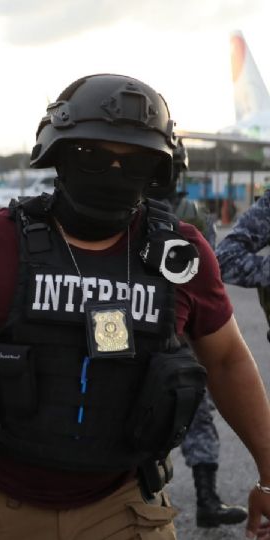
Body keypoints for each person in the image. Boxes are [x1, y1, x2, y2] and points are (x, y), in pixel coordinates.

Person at [0, 73, 270, 540]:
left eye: (135, 161)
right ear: (58, 154)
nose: (113, 172)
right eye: (92, 155)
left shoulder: (180, 255)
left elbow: (227, 360)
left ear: (158, 169)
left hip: (126, 506)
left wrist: (268, 475)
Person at [150, 138, 246, 528]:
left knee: (194, 413)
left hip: (177, 333)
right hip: (163, 334)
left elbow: (210, 278)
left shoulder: (189, 217)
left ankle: (205, 499)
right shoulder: (129, 212)